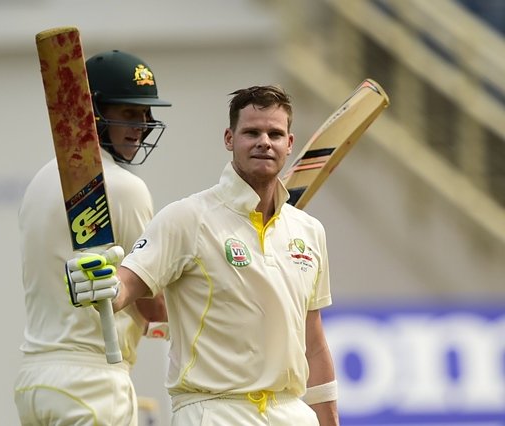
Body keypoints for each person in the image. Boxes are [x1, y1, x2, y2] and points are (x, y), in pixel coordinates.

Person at [67, 85, 339, 425]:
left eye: (275, 133)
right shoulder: (187, 218)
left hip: (291, 411)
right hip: (215, 410)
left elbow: (313, 341)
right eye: (251, 132)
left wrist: (328, 418)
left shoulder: (308, 231)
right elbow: (127, 285)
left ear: (290, 143)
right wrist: (103, 285)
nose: (264, 142)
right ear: (229, 138)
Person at [13, 50, 170, 426]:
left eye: (146, 115)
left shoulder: (38, 182)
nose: (141, 126)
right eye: (129, 113)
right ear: (94, 114)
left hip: (35, 382)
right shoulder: (125, 188)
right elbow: (153, 305)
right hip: (92, 382)